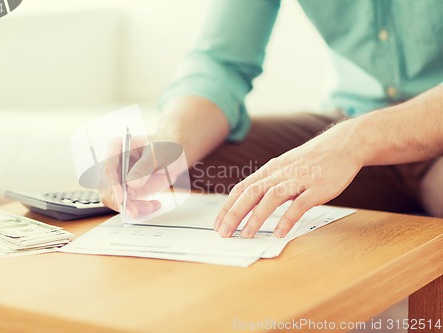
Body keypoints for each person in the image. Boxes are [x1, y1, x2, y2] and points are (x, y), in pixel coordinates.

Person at [101, 0, 443, 239]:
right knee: (185, 174)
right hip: (348, 120)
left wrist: (359, 139)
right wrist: (171, 144)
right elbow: (221, 62)